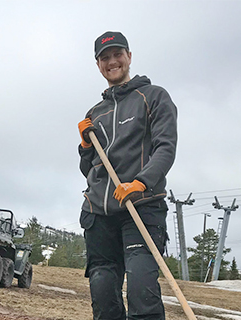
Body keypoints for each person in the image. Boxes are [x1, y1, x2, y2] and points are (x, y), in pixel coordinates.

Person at [77, 31, 177, 320]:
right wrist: (85, 146)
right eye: (104, 57)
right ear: (98, 65)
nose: (112, 61)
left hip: (141, 207)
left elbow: (165, 148)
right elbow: (90, 171)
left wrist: (141, 182)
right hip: (99, 212)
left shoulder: (154, 96)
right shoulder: (95, 113)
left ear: (129, 57)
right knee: (103, 289)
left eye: (117, 54)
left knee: (141, 287)